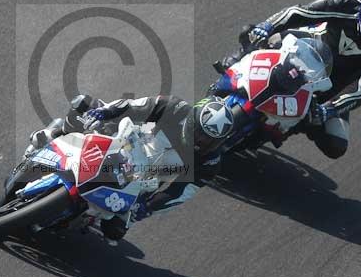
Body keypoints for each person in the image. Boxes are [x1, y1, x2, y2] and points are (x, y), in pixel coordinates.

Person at [213, 0, 361, 159]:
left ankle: (292, 127)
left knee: (336, 145)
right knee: (256, 35)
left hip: (330, 90)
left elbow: (360, 89)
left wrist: (329, 109)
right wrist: (267, 26)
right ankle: (234, 65)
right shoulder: (342, 5)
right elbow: (298, 12)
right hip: (304, 49)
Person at [26, 93, 235, 223]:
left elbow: (179, 193)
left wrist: (148, 207)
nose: (202, 143)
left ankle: (82, 216)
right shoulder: (174, 107)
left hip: (143, 180)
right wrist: (104, 113)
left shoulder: (209, 162)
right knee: (84, 105)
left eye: (210, 141)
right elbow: (133, 106)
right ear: (192, 122)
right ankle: (54, 135)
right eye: (200, 135)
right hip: (126, 140)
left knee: (113, 229)